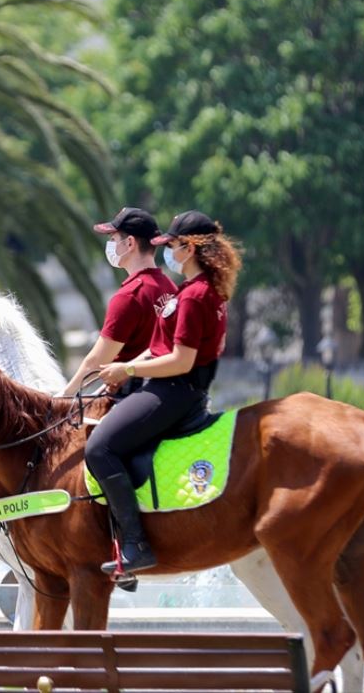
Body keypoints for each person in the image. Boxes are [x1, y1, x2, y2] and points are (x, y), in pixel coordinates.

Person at [90, 210, 241, 575]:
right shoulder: (196, 290)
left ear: (189, 249)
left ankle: (135, 544)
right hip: (166, 385)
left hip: (173, 390)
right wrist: (119, 373)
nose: (167, 252)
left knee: (99, 448)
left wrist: (126, 368)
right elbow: (160, 348)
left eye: (172, 246)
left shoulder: (194, 295)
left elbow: (181, 361)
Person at [61, 207, 177, 397]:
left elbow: (96, 362)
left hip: (132, 395)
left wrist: (63, 396)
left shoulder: (129, 296)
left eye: (113, 239)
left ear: (130, 243)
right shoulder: (171, 288)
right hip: (166, 392)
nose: (110, 245)